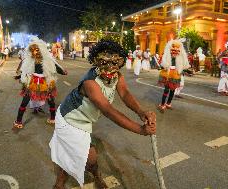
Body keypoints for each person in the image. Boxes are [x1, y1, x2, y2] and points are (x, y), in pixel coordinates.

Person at [49, 40, 156, 189]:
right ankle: (63, 183)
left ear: (120, 61)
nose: (110, 67)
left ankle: (76, 180)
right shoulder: (90, 83)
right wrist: (140, 130)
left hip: (85, 120)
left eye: (115, 62)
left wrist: (141, 112)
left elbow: (125, 94)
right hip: (69, 119)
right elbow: (107, 110)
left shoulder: (117, 76)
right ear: (96, 61)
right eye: (105, 61)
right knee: (87, 157)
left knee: (74, 154)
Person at [13, 37, 67, 130]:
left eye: (37, 49)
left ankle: (53, 118)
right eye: (33, 50)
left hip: (45, 82)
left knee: (51, 100)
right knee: (25, 100)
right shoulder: (30, 60)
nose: (35, 52)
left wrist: (63, 72)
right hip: (32, 82)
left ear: (41, 49)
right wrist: (19, 77)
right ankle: (18, 121)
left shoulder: (47, 59)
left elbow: (55, 67)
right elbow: (25, 71)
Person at [157, 39, 190, 113]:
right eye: (173, 49)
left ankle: (168, 103)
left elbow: (183, 65)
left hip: (175, 75)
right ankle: (162, 104)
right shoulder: (166, 56)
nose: (175, 51)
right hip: (167, 74)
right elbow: (163, 63)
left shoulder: (180, 58)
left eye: (177, 50)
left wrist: (185, 70)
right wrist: (163, 66)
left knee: (172, 90)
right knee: (166, 90)